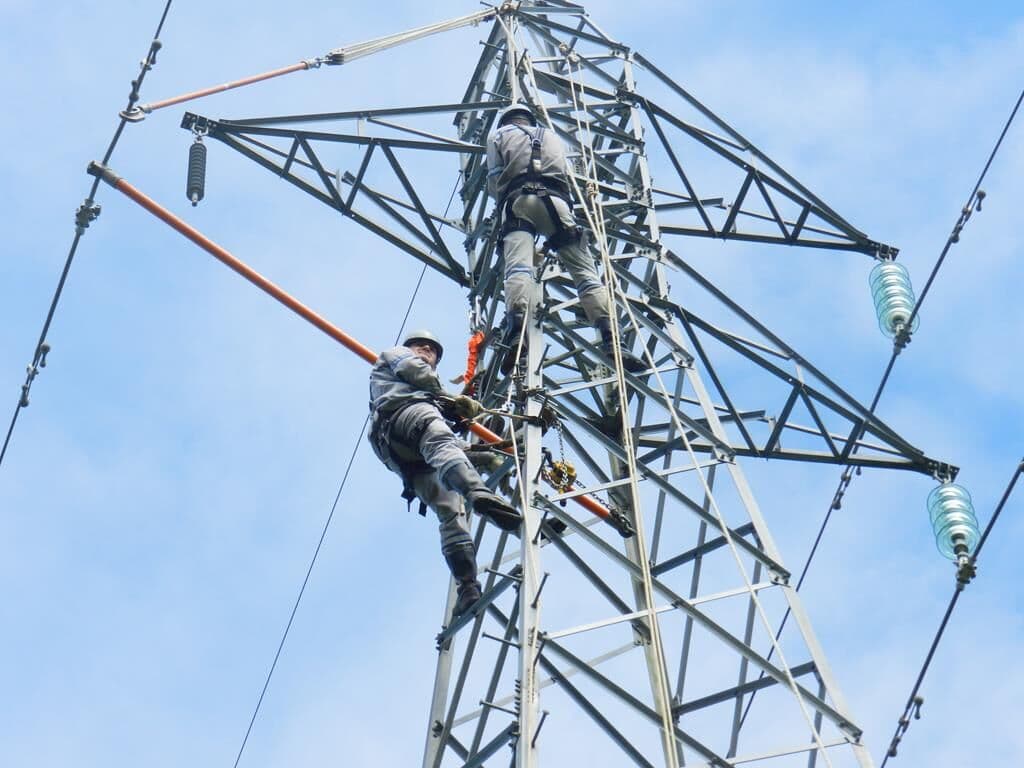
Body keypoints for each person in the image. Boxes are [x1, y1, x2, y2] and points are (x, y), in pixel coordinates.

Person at [368, 329, 522, 616]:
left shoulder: (429, 396)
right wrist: (450, 401)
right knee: (437, 434)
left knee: (450, 508)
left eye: (431, 349)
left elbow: (454, 445)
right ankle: (478, 493)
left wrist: (491, 453)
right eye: (419, 345)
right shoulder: (397, 356)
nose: (424, 349)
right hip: (403, 417)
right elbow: (418, 373)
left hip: (403, 454)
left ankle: (467, 587)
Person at [485, 104, 645, 374]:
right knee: (585, 273)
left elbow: (494, 179)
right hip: (557, 205)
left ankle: (516, 334)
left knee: (519, 268)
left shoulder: (498, 135)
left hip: (517, 201)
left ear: (507, 119)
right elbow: (565, 174)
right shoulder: (550, 135)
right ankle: (611, 337)